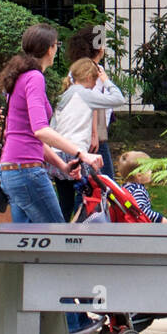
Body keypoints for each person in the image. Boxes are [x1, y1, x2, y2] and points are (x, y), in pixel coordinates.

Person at [0, 25, 102, 226]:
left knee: (30, 240)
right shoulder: (34, 77)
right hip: (26, 171)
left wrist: (61, 165)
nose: (57, 49)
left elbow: (30, 134)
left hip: (12, 169)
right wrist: (82, 153)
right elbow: (41, 130)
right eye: (56, 45)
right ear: (50, 49)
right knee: (56, 236)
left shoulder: (19, 76)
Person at [49, 57, 126, 219]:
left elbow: (53, 124)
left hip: (58, 152)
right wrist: (106, 80)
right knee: (84, 198)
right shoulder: (86, 94)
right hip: (77, 152)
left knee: (65, 201)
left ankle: (59, 231)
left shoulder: (64, 95)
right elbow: (119, 99)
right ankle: (79, 232)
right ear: (90, 77)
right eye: (96, 79)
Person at [65, 25, 122, 180]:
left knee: (89, 179)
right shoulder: (92, 70)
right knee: (103, 180)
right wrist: (94, 134)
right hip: (93, 133)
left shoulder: (79, 68)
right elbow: (92, 102)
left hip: (87, 131)